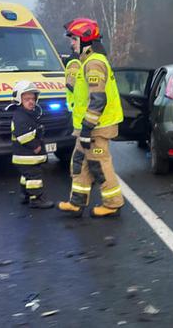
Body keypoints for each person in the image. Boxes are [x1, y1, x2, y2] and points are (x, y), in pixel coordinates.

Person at [58, 18, 125, 218]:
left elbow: (98, 100)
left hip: (97, 127)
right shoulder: (86, 62)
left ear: (85, 40)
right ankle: (76, 202)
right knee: (79, 162)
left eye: (74, 39)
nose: (71, 43)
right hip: (88, 127)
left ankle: (113, 204)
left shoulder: (94, 63)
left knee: (99, 164)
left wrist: (87, 129)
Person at [9, 81, 54, 209]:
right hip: (27, 155)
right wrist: (35, 145)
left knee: (27, 176)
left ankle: (25, 195)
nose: (31, 102)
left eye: (33, 99)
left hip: (24, 156)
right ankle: (36, 199)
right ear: (19, 100)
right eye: (27, 99)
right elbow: (23, 135)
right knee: (34, 177)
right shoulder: (20, 117)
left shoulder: (27, 114)